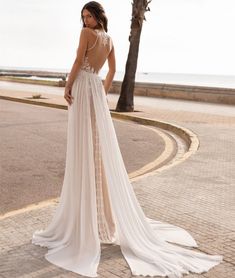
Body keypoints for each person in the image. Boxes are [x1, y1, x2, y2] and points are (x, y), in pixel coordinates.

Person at [32, 2, 223, 277]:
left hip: (84, 89)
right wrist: (102, 92)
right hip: (95, 90)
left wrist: (68, 85)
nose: (85, 21)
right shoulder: (109, 39)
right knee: (94, 149)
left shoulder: (87, 35)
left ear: (99, 17)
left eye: (89, 16)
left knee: (83, 148)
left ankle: (86, 220)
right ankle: (97, 217)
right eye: (83, 17)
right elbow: (111, 70)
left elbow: (77, 61)